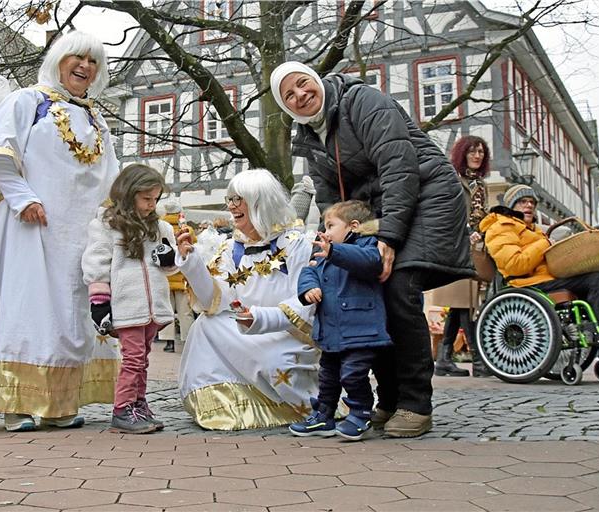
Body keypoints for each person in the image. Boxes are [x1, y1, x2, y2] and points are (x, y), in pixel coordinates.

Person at [271, 62, 472, 438]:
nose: (300, 95)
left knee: (398, 287)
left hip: (427, 193)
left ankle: (415, 403)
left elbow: (398, 166)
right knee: (366, 289)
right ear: (287, 107)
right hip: (376, 211)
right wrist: (328, 246)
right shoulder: (310, 137)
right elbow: (332, 201)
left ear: (316, 80)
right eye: (289, 96)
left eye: (303, 84)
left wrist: (390, 238)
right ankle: (389, 400)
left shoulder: (361, 101)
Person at [0, 31, 120, 432]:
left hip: (80, 235)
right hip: (31, 226)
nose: (85, 67)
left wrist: (115, 216)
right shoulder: (28, 101)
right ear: (59, 59)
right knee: (28, 310)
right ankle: (15, 402)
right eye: (78, 57)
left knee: (70, 314)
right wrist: (22, 198)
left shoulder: (96, 118)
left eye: (93, 61)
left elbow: (112, 177)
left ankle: (59, 405)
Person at [174, 168, 319, 430]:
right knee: (204, 326)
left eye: (239, 199)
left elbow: (306, 304)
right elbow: (214, 302)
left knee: (273, 362)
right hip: (244, 330)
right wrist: (191, 262)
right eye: (230, 199)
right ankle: (222, 405)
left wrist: (261, 318)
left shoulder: (297, 245)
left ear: (261, 203)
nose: (232, 205)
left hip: (287, 335)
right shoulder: (231, 248)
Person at [480, 184, 599, 357]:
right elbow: (515, 264)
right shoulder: (501, 227)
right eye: (522, 201)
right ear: (510, 206)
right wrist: (545, 243)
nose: (529, 205)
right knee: (596, 281)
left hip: (546, 278)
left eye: (532, 202)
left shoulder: (533, 230)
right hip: (527, 283)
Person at [82, 165, 177, 433]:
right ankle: (122, 408)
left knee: (143, 359)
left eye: (155, 199)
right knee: (133, 358)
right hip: (127, 304)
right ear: (129, 194)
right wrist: (99, 304)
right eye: (146, 199)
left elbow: (170, 265)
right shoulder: (106, 226)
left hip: (153, 306)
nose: (151, 205)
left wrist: (170, 258)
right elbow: (97, 265)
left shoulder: (159, 227)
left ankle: (138, 404)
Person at [291, 200, 391, 441]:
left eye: (330, 226)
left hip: (361, 332)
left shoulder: (367, 244)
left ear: (353, 226)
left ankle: (360, 413)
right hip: (332, 331)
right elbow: (309, 271)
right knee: (327, 377)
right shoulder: (325, 251)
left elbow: (369, 262)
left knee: (353, 375)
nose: (325, 233)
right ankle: (324, 414)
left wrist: (334, 252)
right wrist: (309, 288)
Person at [429, 136, 492, 378]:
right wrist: (466, 231)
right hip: (455, 245)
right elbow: (445, 210)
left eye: (481, 152)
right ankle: (478, 359)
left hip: (473, 248)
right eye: (472, 152)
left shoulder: (481, 185)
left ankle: (444, 359)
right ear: (462, 154)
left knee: (460, 304)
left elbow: (481, 215)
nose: (477, 156)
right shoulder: (453, 179)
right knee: (465, 303)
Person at [158, 197, 195, 353]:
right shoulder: (186, 229)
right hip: (181, 275)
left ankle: (169, 342)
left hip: (165, 276)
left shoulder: (160, 227)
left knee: (166, 310)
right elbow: (193, 246)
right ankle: (187, 339)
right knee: (184, 311)